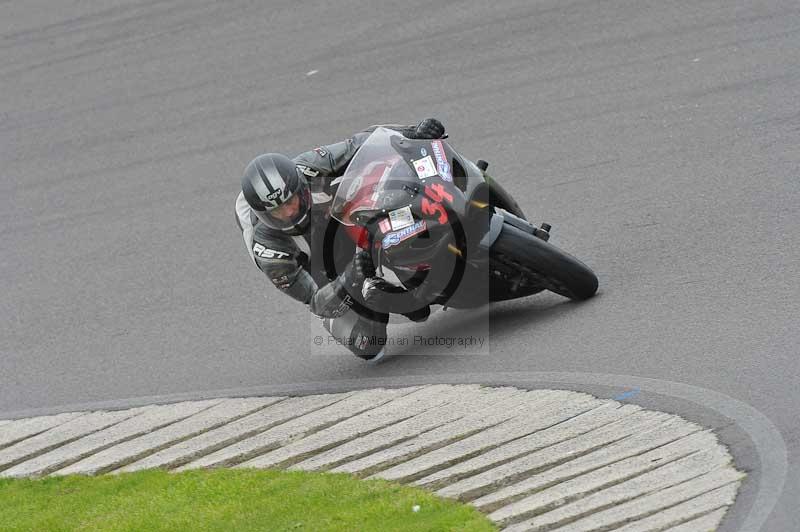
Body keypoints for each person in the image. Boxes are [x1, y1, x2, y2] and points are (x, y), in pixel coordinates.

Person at [235, 119, 446, 362]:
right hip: (317, 269)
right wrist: (353, 275)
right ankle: (385, 292)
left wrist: (414, 132)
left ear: (299, 185)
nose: (288, 213)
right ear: (264, 215)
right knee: (367, 346)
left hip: (332, 217)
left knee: (380, 192)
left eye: (290, 201)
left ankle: (423, 248)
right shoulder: (269, 250)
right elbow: (316, 301)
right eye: (277, 212)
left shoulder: (307, 167)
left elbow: (362, 142)